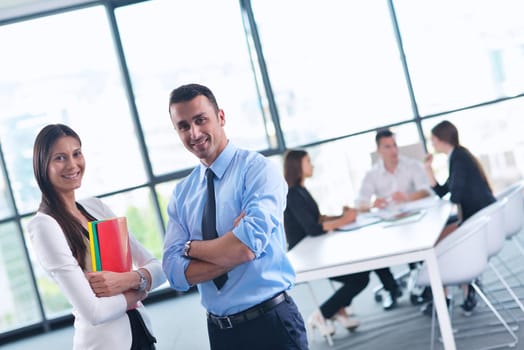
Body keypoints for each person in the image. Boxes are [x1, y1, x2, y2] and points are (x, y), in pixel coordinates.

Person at [162, 83, 308, 350]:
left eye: (200, 120)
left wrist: (191, 249)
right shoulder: (183, 194)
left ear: (220, 117)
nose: (193, 133)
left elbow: (243, 248)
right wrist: (230, 247)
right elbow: (174, 272)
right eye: (183, 126)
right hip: (221, 333)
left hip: (272, 324)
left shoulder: (258, 171)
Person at [28, 124, 166, 350]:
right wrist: (140, 289)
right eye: (60, 158)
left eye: (76, 153)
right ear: (42, 166)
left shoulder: (95, 208)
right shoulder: (44, 225)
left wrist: (129, 280)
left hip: (141, 334)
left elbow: (159, 268)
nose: (72, 165)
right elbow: (94, 311)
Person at [283, 149, 369, 338]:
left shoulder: (302, 190)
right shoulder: (292, 194)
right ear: (298, 166)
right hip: (306, 255)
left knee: (359, 275)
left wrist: (342, 215)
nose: (312, 164)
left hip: (316, 248)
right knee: (360, 277)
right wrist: (344, 220)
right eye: (308, 161)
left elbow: (318, 218)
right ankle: (321, 315)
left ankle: (337, 310)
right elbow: (313, 228)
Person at [422, 120, 496, 315]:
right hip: (479, 219)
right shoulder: (457, 157)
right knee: (441, 238)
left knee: (438, 242)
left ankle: (443, 295)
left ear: (440, 139)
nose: (432, 144)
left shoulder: (459, 158)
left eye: (433, 140)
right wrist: (428, 169)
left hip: (479, 221)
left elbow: (455, 196)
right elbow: (443, 191)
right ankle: (457, 290)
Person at [356, 129, 433, 310]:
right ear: (379, 150)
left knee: (417, 239)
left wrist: (407, 197)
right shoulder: (372, 174)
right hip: (387, 226)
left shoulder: (412, 165)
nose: (393, 151)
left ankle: (423, 282)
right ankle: (391, 288)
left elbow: (426, 190)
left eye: (395, 146)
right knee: (371, 247)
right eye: (388, 147)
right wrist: (373, 203)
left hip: (412, 223)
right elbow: (359, 203)